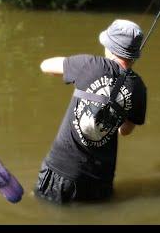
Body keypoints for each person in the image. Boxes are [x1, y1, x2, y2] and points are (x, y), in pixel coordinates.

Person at [35, 19, 147, 204]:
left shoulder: (89, 65)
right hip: (100, 181)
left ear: (109, 48)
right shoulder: (139, 88)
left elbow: (45, 66)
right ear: (134, 55)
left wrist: (74, 71)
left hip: (61, 172)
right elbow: (125, 131)